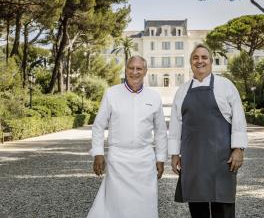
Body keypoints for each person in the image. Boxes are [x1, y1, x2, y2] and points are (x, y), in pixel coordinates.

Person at [168, 44, 248, 218]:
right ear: (190, 63)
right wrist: (174, 154)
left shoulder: (226, 85)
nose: (200, 61)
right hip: (193, 159)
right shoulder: (182, 91)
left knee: (223, 204)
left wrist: (238, 149)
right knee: (197, 207)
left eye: (204, 57)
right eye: (195, 57)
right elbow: (175, 125)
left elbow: (239, 118)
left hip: (222, 158)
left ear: (211, 62)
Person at [87, 56, 168, 218]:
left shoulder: (154, 97)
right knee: (117, 204)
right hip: (119, 159)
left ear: (145, 71)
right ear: (126, 70)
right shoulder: (111, 94)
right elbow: (98, 126)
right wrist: (98, 153)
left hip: (145, 159)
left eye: (139, 69)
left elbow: (160, 131)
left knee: (145, 202)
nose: (135, 72)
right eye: (131, 68)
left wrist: (160, 158)